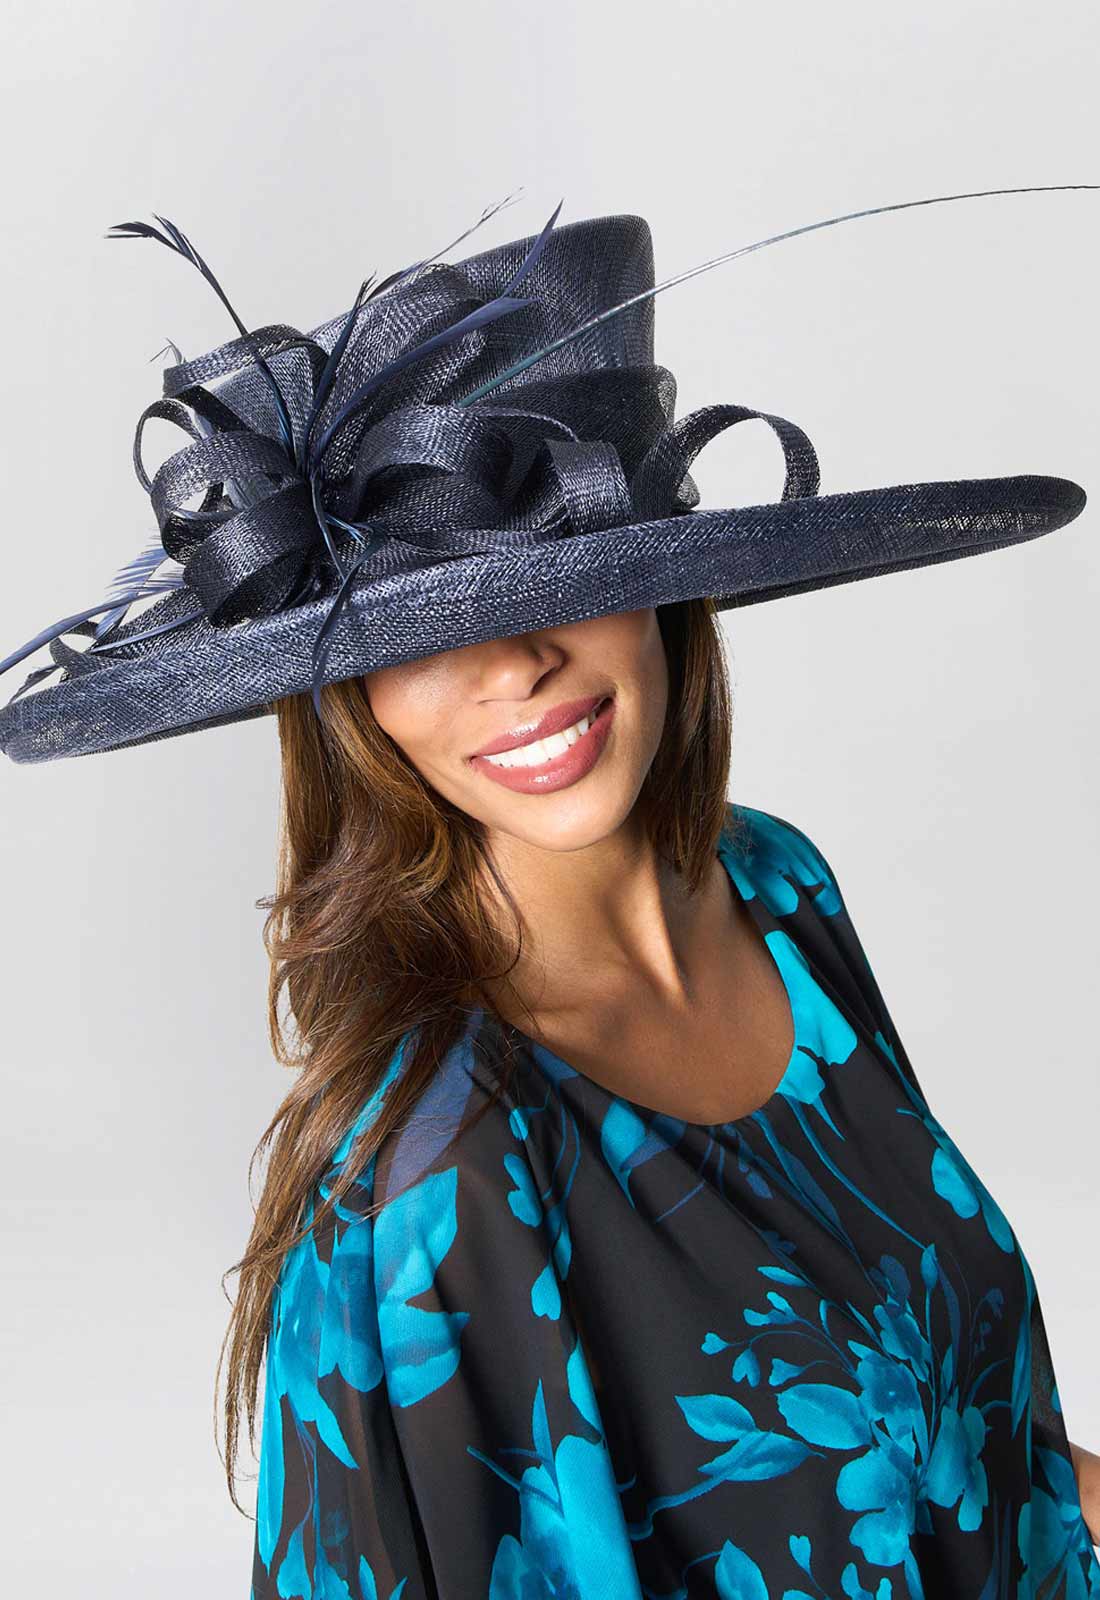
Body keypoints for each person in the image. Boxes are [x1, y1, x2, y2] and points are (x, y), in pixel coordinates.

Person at [0, 190, 1096, 1597]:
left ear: (655, 581)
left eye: (556, 579)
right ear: (347, 704)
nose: (512, 663)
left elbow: (952, 1443)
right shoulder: (432, 1172)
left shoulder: (775, 888)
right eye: (424, 633)